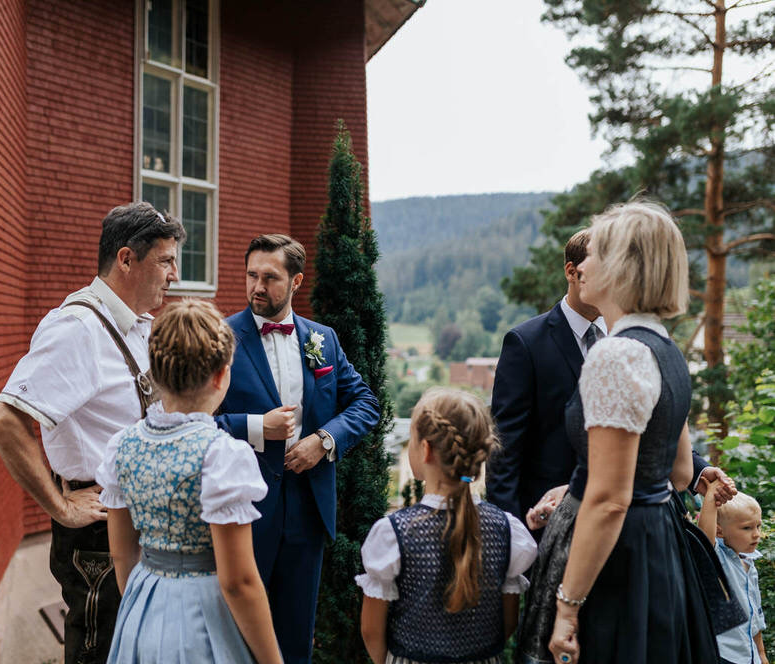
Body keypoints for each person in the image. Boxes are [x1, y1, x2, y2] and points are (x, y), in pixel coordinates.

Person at [518, 199, 719, 664]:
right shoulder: (665, 347)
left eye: (596, 253)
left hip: (615, 561)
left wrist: (567, 609)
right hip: (659, 547)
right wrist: (574, 488)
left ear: (624, 267)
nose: (582, 263)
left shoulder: (615, 355)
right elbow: (679, 471)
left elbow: (610, 499)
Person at [0, 202, 184, 664]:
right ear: (126, 259)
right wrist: (60, 505)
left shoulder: (134, 325)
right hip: (95, 536)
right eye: (165, 261)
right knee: (98, 651)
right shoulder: (77, 328)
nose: (174, 275)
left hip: (139, 520)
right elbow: (5, 421)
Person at [215, 234, 380, 663]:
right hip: (244, 511)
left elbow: (365, 404)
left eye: (270, 278)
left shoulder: (322, 340)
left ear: (296, 282)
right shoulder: (220, 337)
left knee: (296, 637)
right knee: (238, 638)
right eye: (252, 275)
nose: (257, 286)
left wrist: (324, 441)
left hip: (308, 510)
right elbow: (198, 422)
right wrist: (256, 427)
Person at [96, 299, 282, 664]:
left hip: (141, 602)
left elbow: (122, 554)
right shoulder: (221, 455)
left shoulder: (123, 445)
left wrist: (143, 611)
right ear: (220, 376)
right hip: (203, 614)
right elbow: (238, 583)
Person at [357, 387, 537, 664]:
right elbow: (507, 622)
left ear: (426, 449)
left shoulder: (393, 533)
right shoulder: (506, 530)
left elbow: (371, 631)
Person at [486, 230, 607, 526]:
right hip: (545, 522)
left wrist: (697, 470)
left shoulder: (628, 339)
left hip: (617, 520)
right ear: (571, 271)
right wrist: (511, 533)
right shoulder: (525, 343)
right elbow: (504, 449)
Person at [698, 482, 768, 664]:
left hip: (749, 655)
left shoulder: (749, 562)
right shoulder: (717, 558)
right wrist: (711, 497)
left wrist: (761, 654)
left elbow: (755, 614)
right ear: (719, 530)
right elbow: (704, 540)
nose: (756, 534)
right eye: (747, 528)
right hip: (725, 655)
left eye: (758, 526)